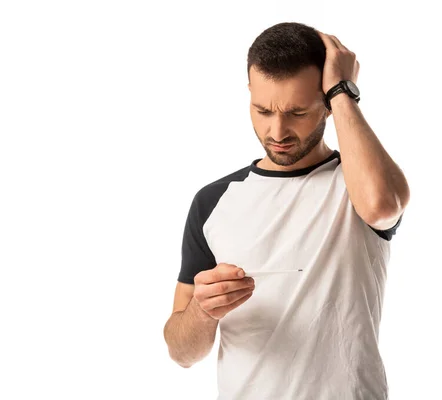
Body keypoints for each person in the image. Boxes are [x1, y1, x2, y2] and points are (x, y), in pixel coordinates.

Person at [163, 22, 410, 400]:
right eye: (262, 110)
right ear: (248, 92)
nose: (277, 130)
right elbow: (181, 353)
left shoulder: (356, 185)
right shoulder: (213, 201)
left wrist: (343, 91)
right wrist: (202, 312)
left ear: (326, 102)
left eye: (297, 112)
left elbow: (381, 206)